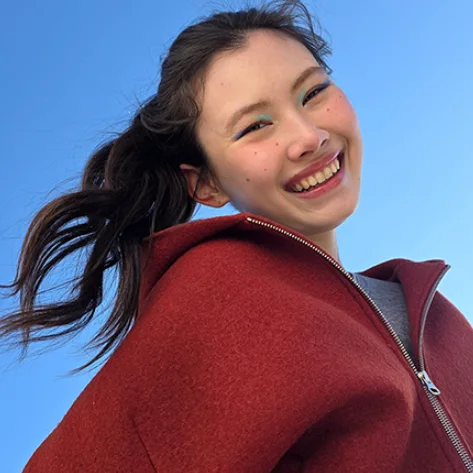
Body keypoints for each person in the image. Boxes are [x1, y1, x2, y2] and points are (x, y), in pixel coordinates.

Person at [1, 1, 472, 471]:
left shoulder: (434, 314)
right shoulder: (213, 296)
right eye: (255, 126)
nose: (308, 136)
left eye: (312, 92)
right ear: (206, 184)